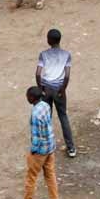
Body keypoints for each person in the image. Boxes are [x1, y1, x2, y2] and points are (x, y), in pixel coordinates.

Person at [11, 85, 62, 199]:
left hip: (40, 150)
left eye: (27, 96)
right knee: (50, 174)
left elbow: (36, 135)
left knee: (31, 176)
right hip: (50, 146)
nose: (26, 98)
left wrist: (33, 151)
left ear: (32, 98)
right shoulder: (45, 105)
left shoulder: (35, 114)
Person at [36, 27, 75, 157]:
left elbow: (37, 74)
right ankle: (71, 149)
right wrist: (63, 90)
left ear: (49, 40)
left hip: (46, 89)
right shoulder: (66, 55)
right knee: (63, 116)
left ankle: (45, 147)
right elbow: (67, 75)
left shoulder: (43, 54)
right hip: (59, 89)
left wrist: (41, 88)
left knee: (46, 118)